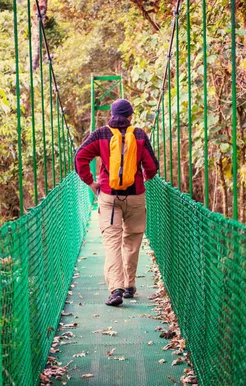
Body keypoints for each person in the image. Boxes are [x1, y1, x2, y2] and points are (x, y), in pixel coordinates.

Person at [74, 99, 159, 306]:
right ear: (130, 116)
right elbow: (152, 167)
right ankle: (129, 285)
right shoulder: (138, 134)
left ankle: (116, 289)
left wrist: (91, 182)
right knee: (132, 240)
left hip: (109, 197)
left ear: (111, 115)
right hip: (136, 196)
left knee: (112, 243)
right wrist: (144, 177)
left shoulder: (101, 134)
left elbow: (80, 157)